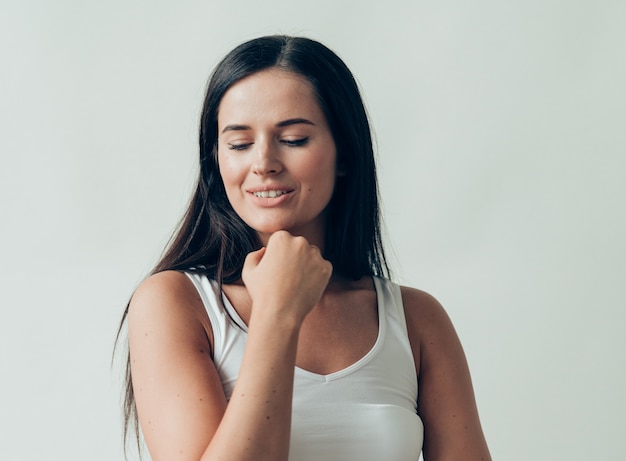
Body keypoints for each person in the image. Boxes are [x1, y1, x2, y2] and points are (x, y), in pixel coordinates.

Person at [118, 35, 492, 461]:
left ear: (345, 153)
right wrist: (278, 312)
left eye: (294, 139)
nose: (263, 162)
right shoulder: (174, 303)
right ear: (216, 160)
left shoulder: (417, 320)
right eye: (239, 144)